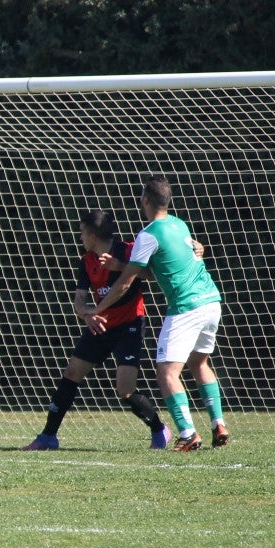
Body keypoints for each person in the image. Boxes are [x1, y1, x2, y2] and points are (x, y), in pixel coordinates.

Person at [91, 175, 227, 452]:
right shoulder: (179, 224)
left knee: (167, 371)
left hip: (186, 308)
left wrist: (97, 309)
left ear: (145, 200)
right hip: (211, 301)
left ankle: (188, 433)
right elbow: (159, 270)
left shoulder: (148, 234)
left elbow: (126, 283)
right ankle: (219, 424)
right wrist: (121, 265)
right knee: (199, 363)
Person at [23, 210, 171, 451]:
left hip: (129, 325)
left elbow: (152, 274)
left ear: (93, 236)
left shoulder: (127, 250)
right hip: (101, 324)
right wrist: (86, 315)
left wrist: (120, 266)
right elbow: (79, 300)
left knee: (125, 389)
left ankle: (158, 428)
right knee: (72, 372)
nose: (80, 237)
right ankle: (48, 436)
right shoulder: (87, 261)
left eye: (82, 233)